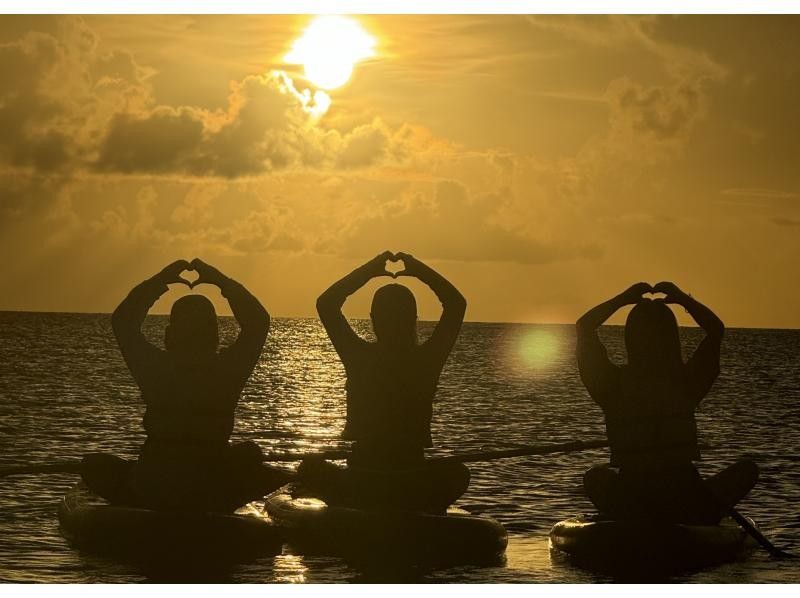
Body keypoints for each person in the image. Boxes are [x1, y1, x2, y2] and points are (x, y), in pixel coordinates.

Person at [82, 259, 291, 512]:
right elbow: (257, 322)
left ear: (169, 337)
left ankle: (144, 494)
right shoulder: (228, 372)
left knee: (93, 465)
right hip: (212, 487)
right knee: (250, 455)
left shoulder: (153, 370)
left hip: (155, 486)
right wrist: (219, 280)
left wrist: (161, 280)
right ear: (215, 337)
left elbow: (123, 321)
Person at [297, 251, 470, 513]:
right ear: (414, 319)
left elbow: (327, 304)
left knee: (309, 467)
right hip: (409, 474)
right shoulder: (428, 359)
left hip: (364, 475)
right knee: (458, 472)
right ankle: (420, 506)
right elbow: (456, 304)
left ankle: (350, 504)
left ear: (374, 318)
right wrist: (418, 269)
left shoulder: (358, 356)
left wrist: (369, 270)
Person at [576, 281, 759, 524]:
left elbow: (584, 327)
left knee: (595, 477)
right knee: (748, 469)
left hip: (635, 497)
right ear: (671, 338)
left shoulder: (611, 385)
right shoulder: (688, 383)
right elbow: (715, 329)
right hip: (684, 495)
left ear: (630, 338)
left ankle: (629, 519)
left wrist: (623, 299)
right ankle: (702, 515)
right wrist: (683, 299)